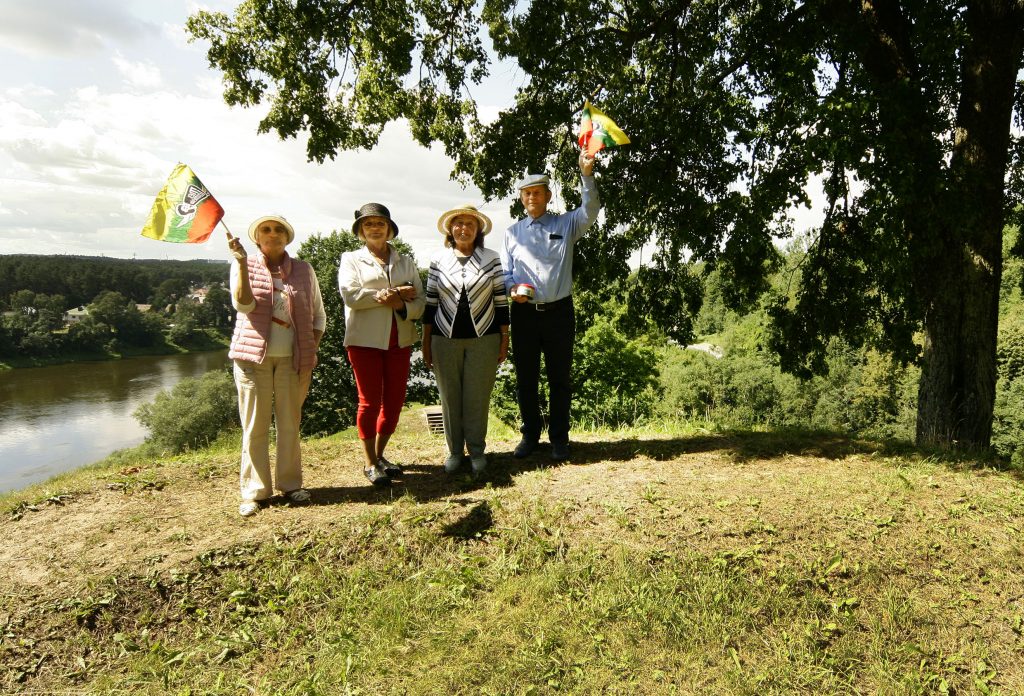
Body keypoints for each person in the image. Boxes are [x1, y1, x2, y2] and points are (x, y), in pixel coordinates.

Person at [500, 151, 600, 461]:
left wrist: (586, 174)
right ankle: (530, 436)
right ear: (521, 199)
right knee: (526, 379)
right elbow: (505, 275)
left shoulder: (567, 223)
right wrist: (512, 289)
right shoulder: (512, 233)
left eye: (537, 192)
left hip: (559, 312)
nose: (532, 197)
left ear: (548, 195)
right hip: (525, 315)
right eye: (527, 193)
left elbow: (591, 210)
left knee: (560, 379)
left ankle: (559, 438)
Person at [227, 215, 326, 517]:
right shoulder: (241, 264)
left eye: (278, 229)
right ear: (257, 238)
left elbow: (319, 317)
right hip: (252, 359)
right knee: (255, 426)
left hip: (292, 361)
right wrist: (243, 263)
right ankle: (254, 492)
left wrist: (310, 348)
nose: (273, 234)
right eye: (266, 230)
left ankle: (291, 484)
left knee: (289, 424)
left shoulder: (304, 270)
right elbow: (243, 304)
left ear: (287, 237)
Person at [338, 203, 425, 486]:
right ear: (361, 232)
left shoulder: (406, 262)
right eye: (368, 224)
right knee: (369, 402)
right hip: (363, 341)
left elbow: (420, 303)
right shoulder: (351, 259)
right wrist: (395, 292)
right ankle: (369, 463)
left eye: (380, 223)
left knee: (395, 403)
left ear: (389, 229)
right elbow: (351, 296)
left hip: (399, 341)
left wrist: (400, 303)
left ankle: (380, 454)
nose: (374, 228)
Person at [422, 204, 510, 476]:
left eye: (470, 224)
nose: (464, 228)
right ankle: (454, 451)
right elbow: (430, 304)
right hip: (443, 339)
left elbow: (500, 301)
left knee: (477, 397)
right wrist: (426, 343)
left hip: (484, 337)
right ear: (450, 229)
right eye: (458, 223)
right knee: (449, 397)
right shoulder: (438, 260)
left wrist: (504, 339)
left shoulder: (491, 258)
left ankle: (477, 451)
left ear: (478, 230)